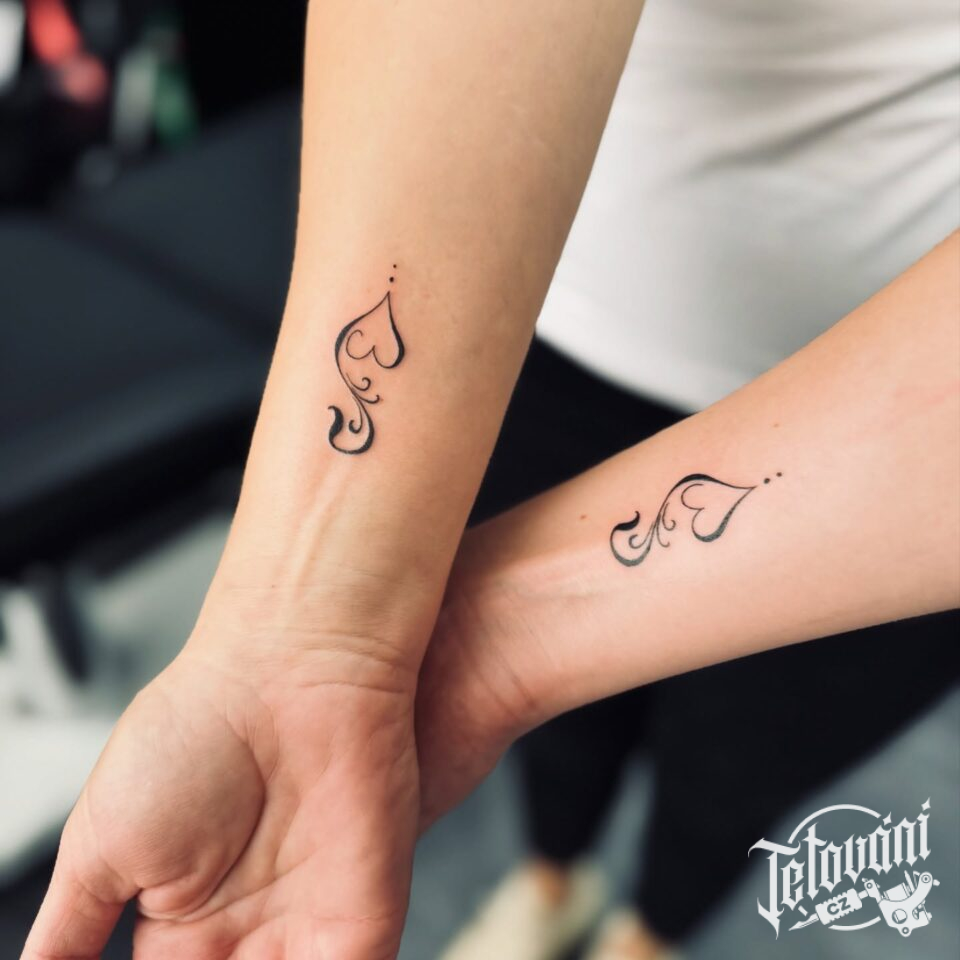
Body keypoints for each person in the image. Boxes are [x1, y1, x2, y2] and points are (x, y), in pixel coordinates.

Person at [21, 3, 959, 960]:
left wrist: (478, 644)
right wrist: (299, 634)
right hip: (521, 305)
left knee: (745, 765)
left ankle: (652, 934)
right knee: (552, 738)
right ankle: (551, 881)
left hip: (901, 441)